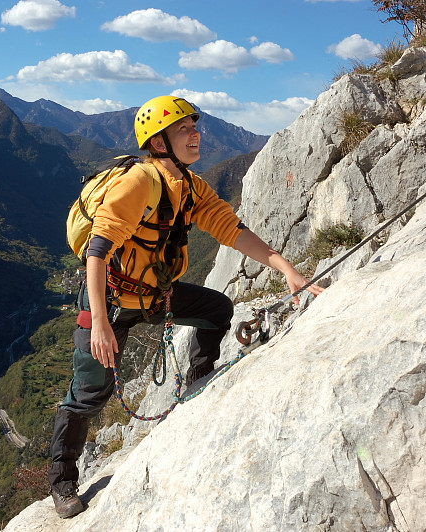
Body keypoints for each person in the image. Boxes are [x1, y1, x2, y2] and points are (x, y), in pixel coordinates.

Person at [48, 95, 323, 518]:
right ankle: (63, 482)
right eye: (183, 129)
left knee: (218, 309)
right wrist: (100, 323)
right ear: (159, 144)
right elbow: (97, 251)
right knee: (89, 392)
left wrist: (288, 270)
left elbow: (231, 229)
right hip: (111, 300)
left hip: (155, 296)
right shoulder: (138, 182)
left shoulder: (190, 187)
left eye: (195, 127)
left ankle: (197, 381)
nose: (196, 134)